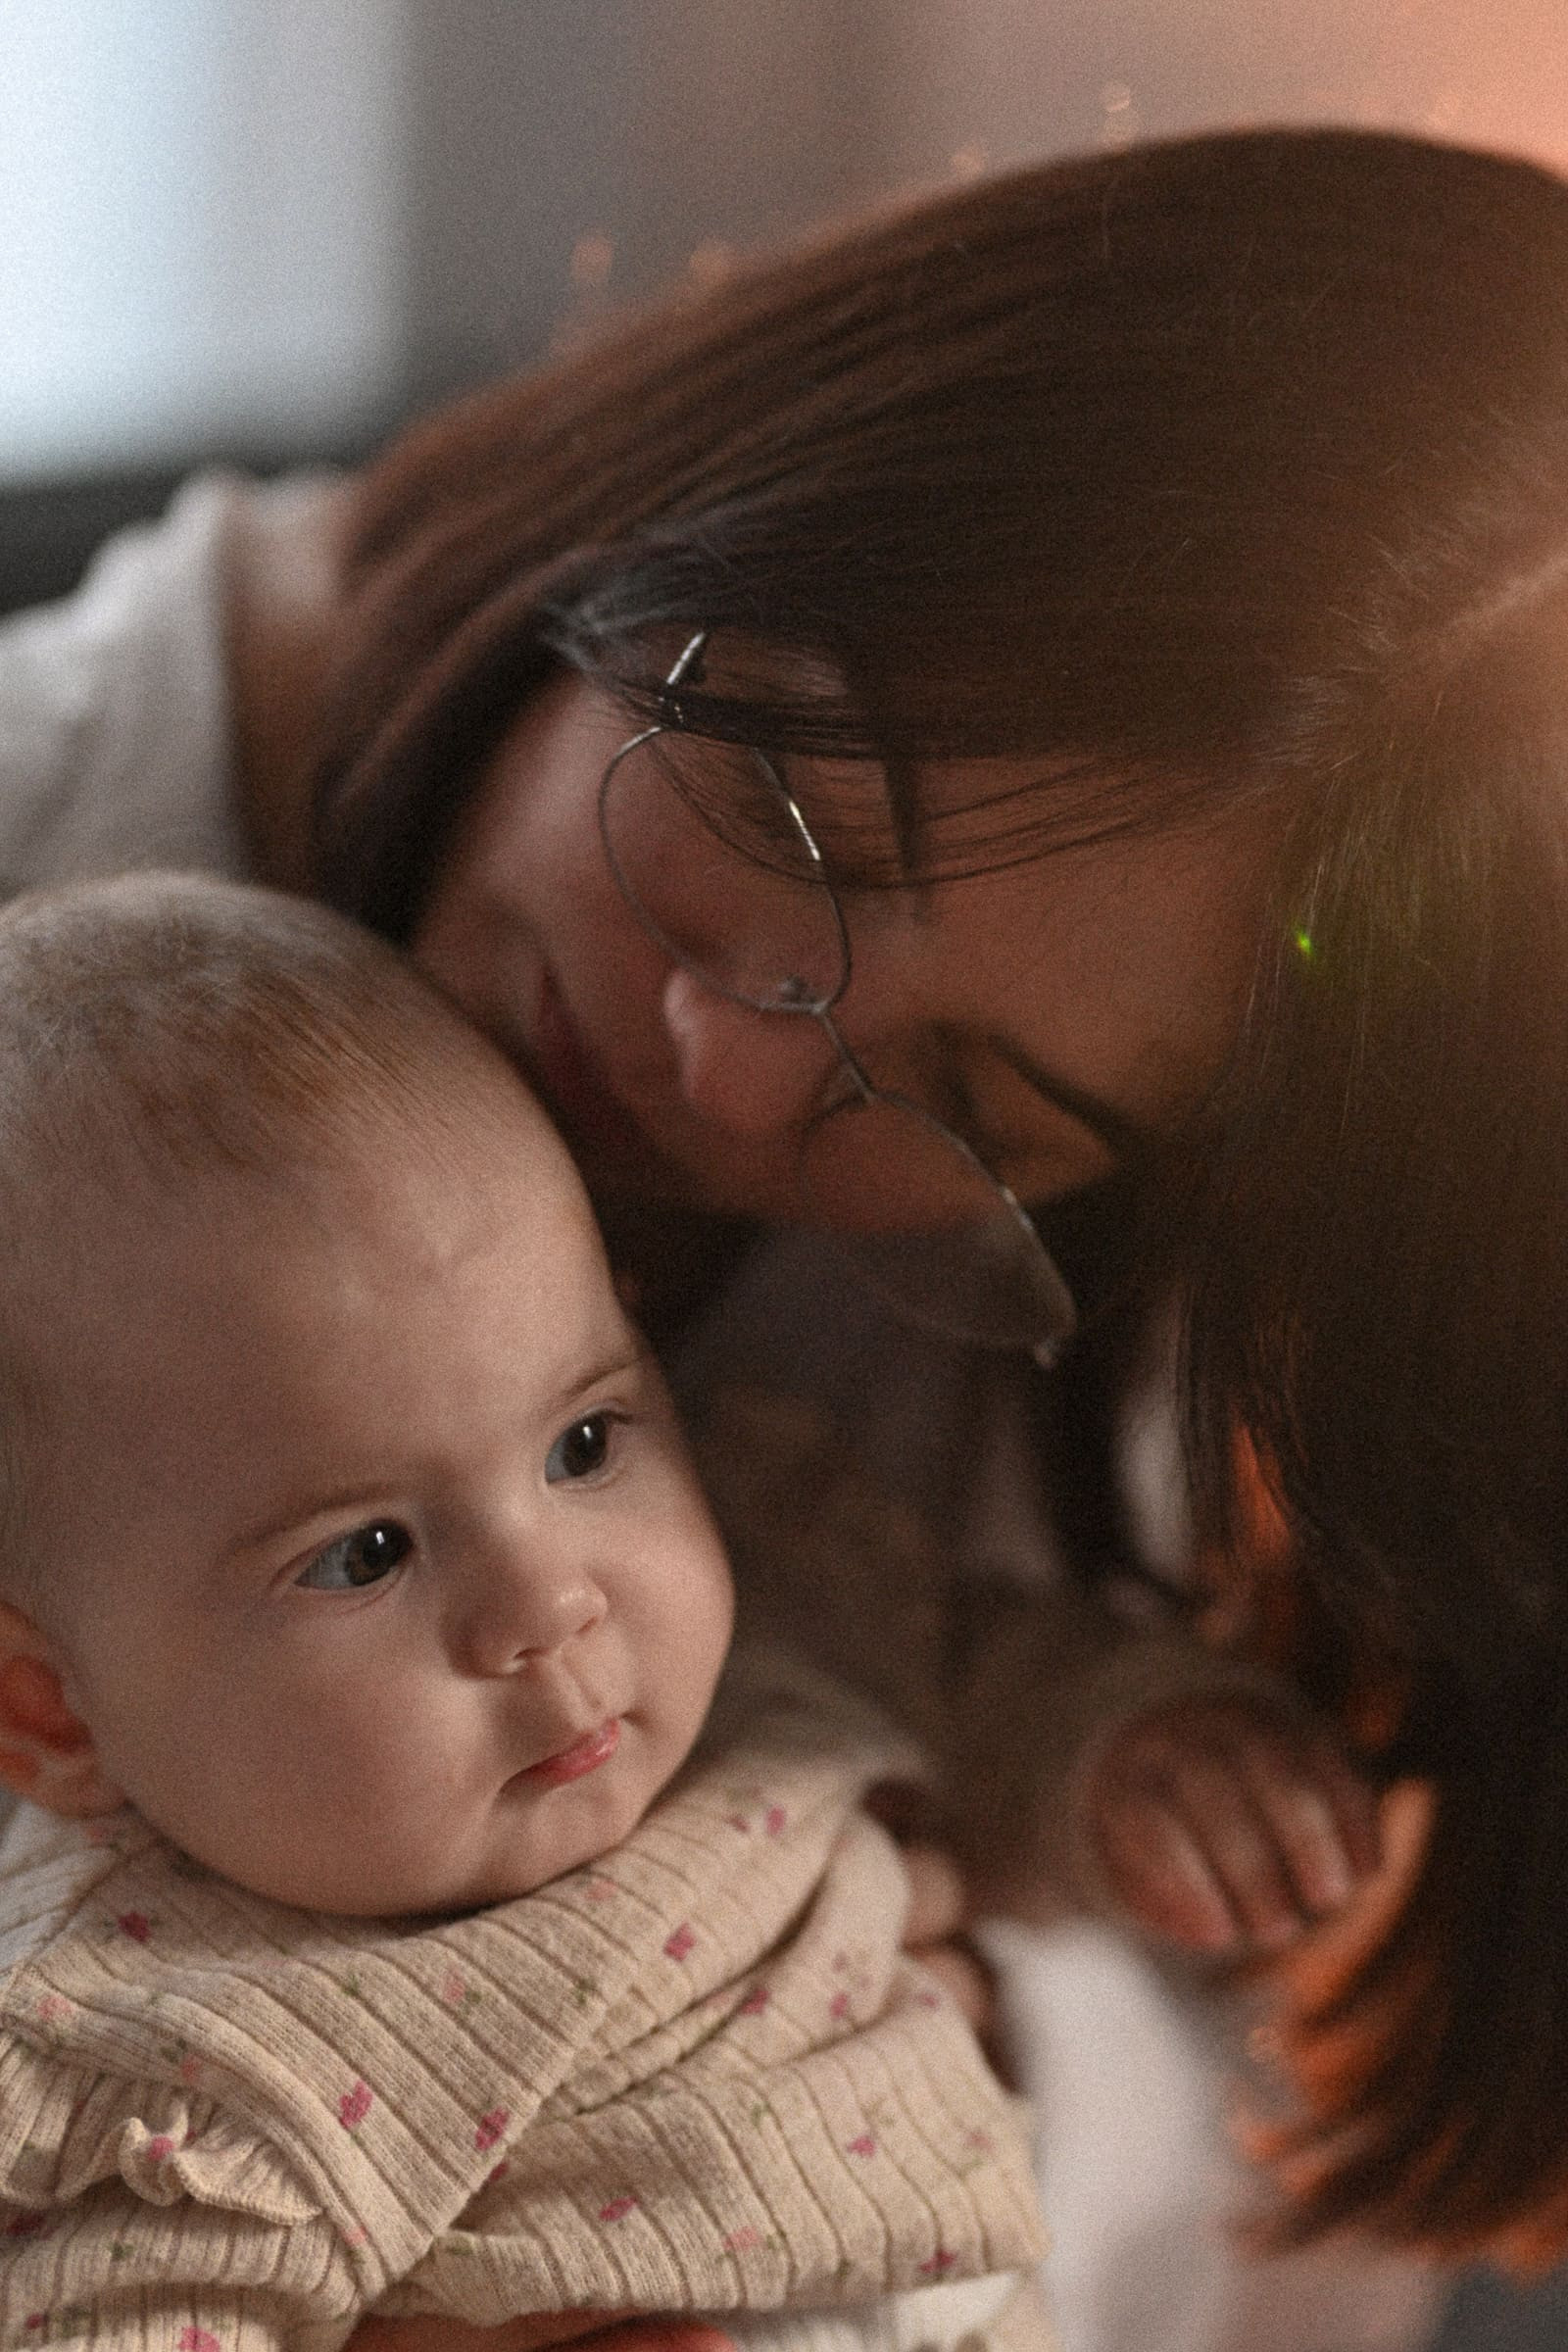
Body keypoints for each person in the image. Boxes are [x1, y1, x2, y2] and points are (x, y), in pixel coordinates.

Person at [1, 119, 1564, 2341]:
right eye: (772, 811)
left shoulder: (1014, 1351)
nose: (723, 1080)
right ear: (715, 473)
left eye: (953, 1099)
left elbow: (1263, 2180)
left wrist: (951, 2029)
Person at [0, 871, 1053, 2352]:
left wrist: (1138, 1753)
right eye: (364, 1552)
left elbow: (984, 1671)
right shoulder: (180, 2048)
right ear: (48, 1709)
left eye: (583, 1444)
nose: (549, 1602)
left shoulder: (766, 1648)